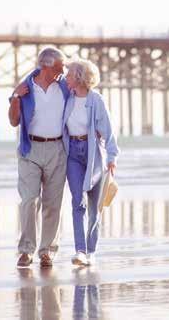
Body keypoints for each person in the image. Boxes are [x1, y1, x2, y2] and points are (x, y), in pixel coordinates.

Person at [8, 47, 70, 268]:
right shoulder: (26, 87)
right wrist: (15, 97)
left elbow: (83, 103)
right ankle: (26, 250)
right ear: (45, 65)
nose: (64, 69)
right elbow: (14, 121)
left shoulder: (65, 86)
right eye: (60, 65)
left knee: (53, 203)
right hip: (30, 149)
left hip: (57, 150)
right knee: (29, 200)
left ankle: (47, 251)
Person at [63, 58, 120, 266]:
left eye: (69, 74)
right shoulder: (67, 97)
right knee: (78, 202)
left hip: (94, 153)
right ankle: (80, 250)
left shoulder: (96, 100)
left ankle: (91, 251)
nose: (65, 77)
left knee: (95, 207)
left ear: (78, 77)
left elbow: (108, 131)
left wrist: (112, 157)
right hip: (73, 154)